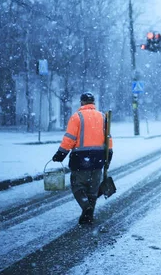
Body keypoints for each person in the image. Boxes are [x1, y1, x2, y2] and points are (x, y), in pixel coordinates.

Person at [52, 92, 113, 225]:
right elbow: (108, 138)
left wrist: (61, 154)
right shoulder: (103, 117)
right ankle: (88, 216)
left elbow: (69, 138)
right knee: (93, 189)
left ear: (82, 103)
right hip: (98, 158)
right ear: (93, 103)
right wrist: (110, 152)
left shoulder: (77, 117)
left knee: (77, 186)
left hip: (80, 159)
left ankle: (86, 207)